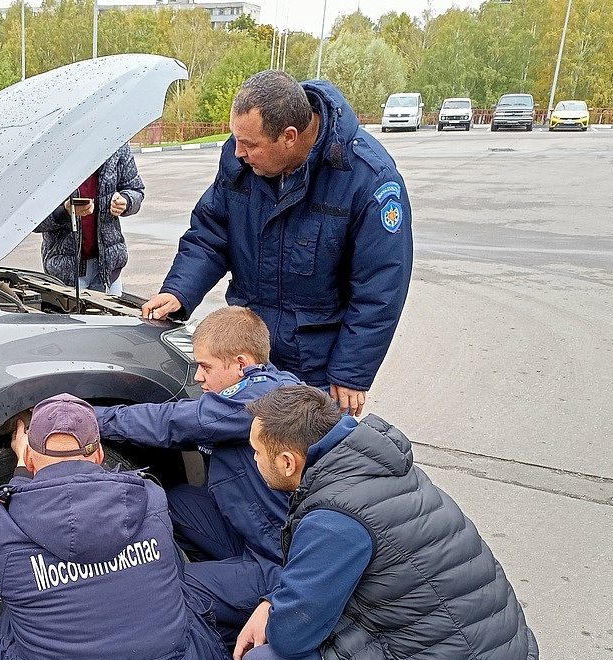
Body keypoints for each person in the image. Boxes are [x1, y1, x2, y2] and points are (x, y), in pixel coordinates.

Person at [234, 384, 541, 660]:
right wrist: (271, 602)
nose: (254, 461)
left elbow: (294, 634)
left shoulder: (334, 518)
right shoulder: (371, 468)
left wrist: (276, 614)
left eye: (257, 452)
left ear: (287, 460)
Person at [0, 394, 235, 660]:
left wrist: (18, 471)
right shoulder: (150, 497)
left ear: (29, 458)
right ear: (97, 455)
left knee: (18, 615)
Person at [141, 71, 414, 417]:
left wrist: (351, 372)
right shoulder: (241, 159)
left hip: (315, 367)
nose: (238, 153)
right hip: (249, 354)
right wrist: (179, 291)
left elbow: (380, 288)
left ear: (289, 137)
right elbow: (211, 234)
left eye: (250, 145)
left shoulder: (367, 179)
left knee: (299, 466)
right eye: (236, 139)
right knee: (240, 459)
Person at [92, 306, 298, 635]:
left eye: (205, 366)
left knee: (175, 587)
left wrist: (86, 418)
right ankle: (228, 588)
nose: (198, 376)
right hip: (260, 535)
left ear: (241, 364)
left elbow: (172, 422)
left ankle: (237, 619)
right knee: (173, 501)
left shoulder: (257, 402)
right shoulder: (270, 381)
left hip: (281, 562)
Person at [35, 144, 144, 296]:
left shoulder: (117, 143)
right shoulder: (51, 149)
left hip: (108, 270)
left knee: (112, 319)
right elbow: (31, 218)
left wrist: (126, 201)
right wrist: (65, 212)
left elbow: (136, 190)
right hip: (66, 274)